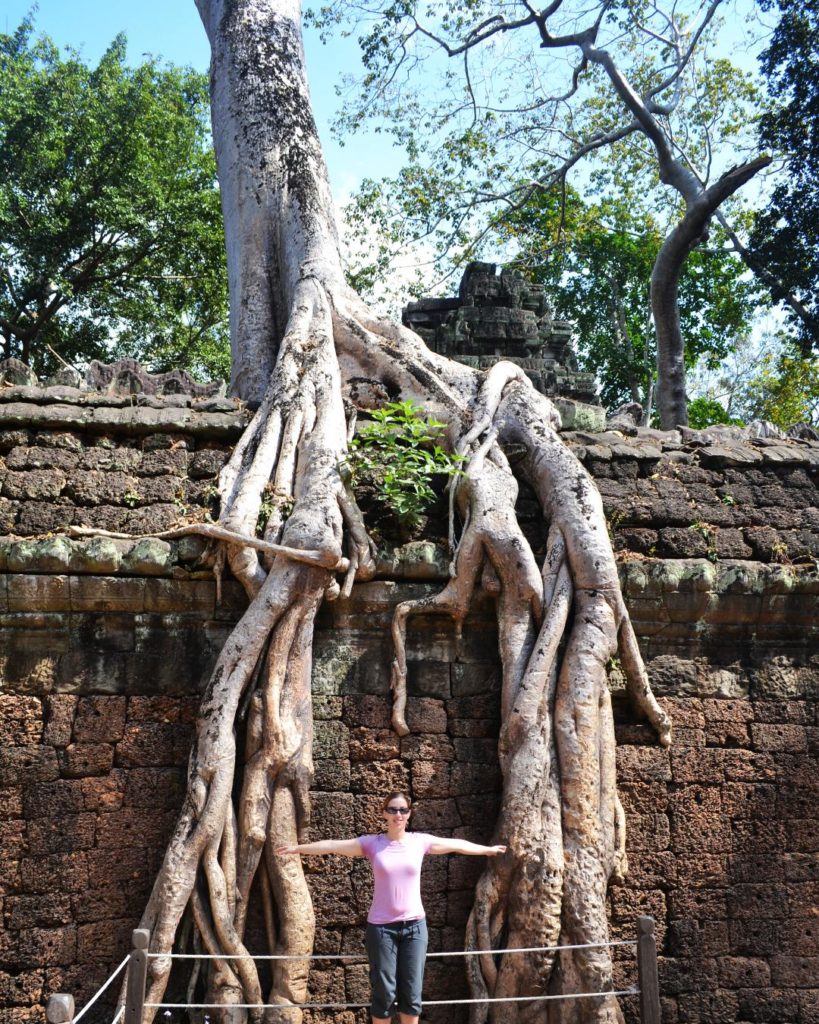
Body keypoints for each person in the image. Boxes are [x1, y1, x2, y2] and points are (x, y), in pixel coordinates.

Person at [275, 790, 506, 1024]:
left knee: (412, 993)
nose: (398, 814)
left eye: (403, 810)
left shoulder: (420, 842)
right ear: (384, 813)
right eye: (393, 810)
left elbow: (456, 845)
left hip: (415, 927)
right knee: (384, 994)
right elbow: (334, 845)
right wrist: (298, 848)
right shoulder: (372, 844)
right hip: (381, 928)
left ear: (409, 814)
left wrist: (487, 850)